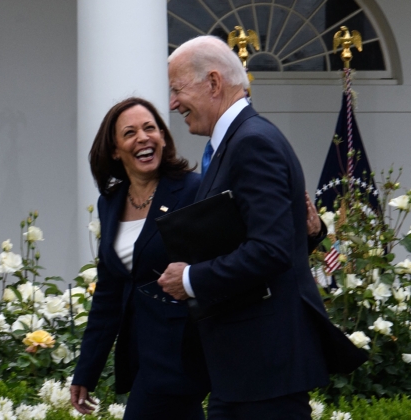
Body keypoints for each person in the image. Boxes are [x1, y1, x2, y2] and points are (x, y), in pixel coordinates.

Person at [158, 35, 366, 419]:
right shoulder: (236, 143)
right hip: (244, 372)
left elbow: (269, 252)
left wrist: (190, 279)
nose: (172, 103)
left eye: (177, 89)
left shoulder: (252, 143)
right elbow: (270, 244)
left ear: (214, 83)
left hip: (264, 371)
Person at [70, 97, 208, 419]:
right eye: (130, 133)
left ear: (163, 136)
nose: (143, 138)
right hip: (142, 355)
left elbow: (223, 255)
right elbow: (108, 293)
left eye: (150, 128)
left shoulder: (192, 189)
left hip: (182, 352)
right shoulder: (110, 203)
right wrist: (86, 370)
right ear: (116, 150)